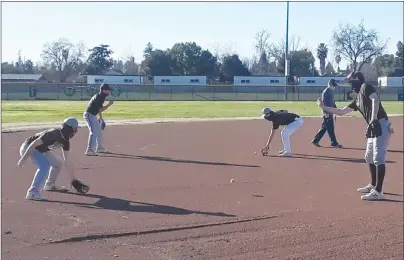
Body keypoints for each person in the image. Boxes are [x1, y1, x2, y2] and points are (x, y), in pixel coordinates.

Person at [317, 71, 393, 201]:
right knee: (369, 157)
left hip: (379, 124)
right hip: (372, 125)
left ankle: (378, 191)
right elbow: (341, 112)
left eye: (350, 80)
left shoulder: (365, 87)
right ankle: (373, 185)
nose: (349, 84)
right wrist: (323, 107)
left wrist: (373, 118)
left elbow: (375, 99)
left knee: (378, 158)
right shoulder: (357, 98)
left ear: (357, 79)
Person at [17, 117, 89, 200]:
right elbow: (33, 144)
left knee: (58, 163)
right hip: (28, 148)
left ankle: (49, 185)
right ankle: (32, 192)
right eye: (75, 129)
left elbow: (67, 161)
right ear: (71, 129)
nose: (76, 131)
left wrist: (73, 179)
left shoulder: (65, 141)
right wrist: (23, 159)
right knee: (44, 165)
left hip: (41, 150)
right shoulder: (53, 133)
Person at [84, 83, 114, 156]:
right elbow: (101, 109)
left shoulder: (101, 96)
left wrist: (100, 118)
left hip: (93, 115)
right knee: (93, 132)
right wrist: (109, 105)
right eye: (108, 90)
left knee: (99, 131)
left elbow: (98, 110)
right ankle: (89, 150)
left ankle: (99, 148)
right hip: (89, 115)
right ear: (104, 90)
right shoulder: (99, 97)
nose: (109, 92)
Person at [311, 79, 343, 148]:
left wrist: (336, 110)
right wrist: (327, 113)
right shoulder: (326, 92)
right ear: (330, 84)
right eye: (334, 86)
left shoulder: (330, 91)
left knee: (324, 128)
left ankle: (315, 140)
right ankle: (334, 143)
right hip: (327, 113)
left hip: (330, 112)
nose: (335, 87)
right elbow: (324, 104)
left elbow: (332, 102)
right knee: (330, 128)